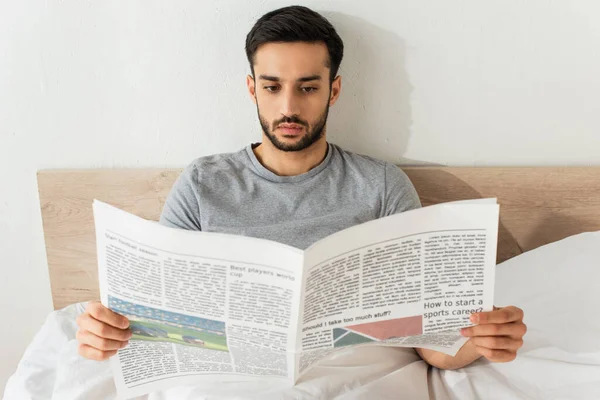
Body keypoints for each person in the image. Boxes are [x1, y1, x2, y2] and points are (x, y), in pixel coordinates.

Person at [76, 5, 526, 371]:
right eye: (272, 87)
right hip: (231, 376)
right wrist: (107, 330)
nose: (288, 107)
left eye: (308, 88)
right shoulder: (202, 184)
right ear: (252, 89)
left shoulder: (382, 186)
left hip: (348, 373)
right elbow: (157, 316)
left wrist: (480, 341)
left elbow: (429, 341)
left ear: (333, 90)